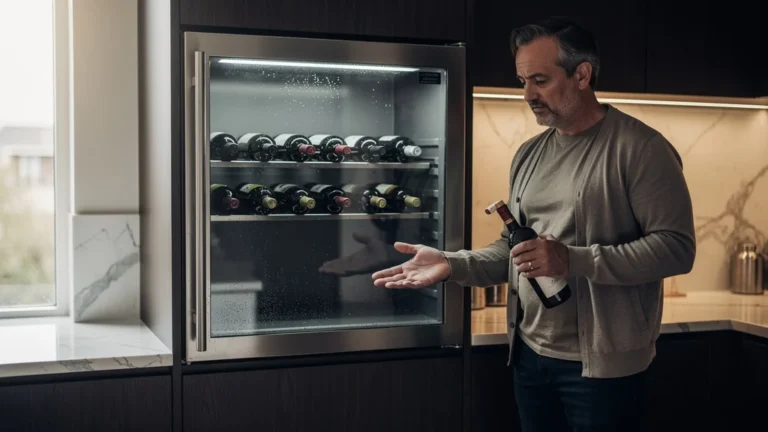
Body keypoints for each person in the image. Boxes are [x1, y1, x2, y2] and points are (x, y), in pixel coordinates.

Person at [371, 17, 696, 432]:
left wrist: (573, 260)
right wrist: (453, 264)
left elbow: (676, 249)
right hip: (529, 355)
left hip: (603, 371)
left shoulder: (640, 149)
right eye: (523, 81)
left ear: (582, 75)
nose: (528, 95)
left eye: (540, 80)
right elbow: (516, 249)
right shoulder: (529, 154)